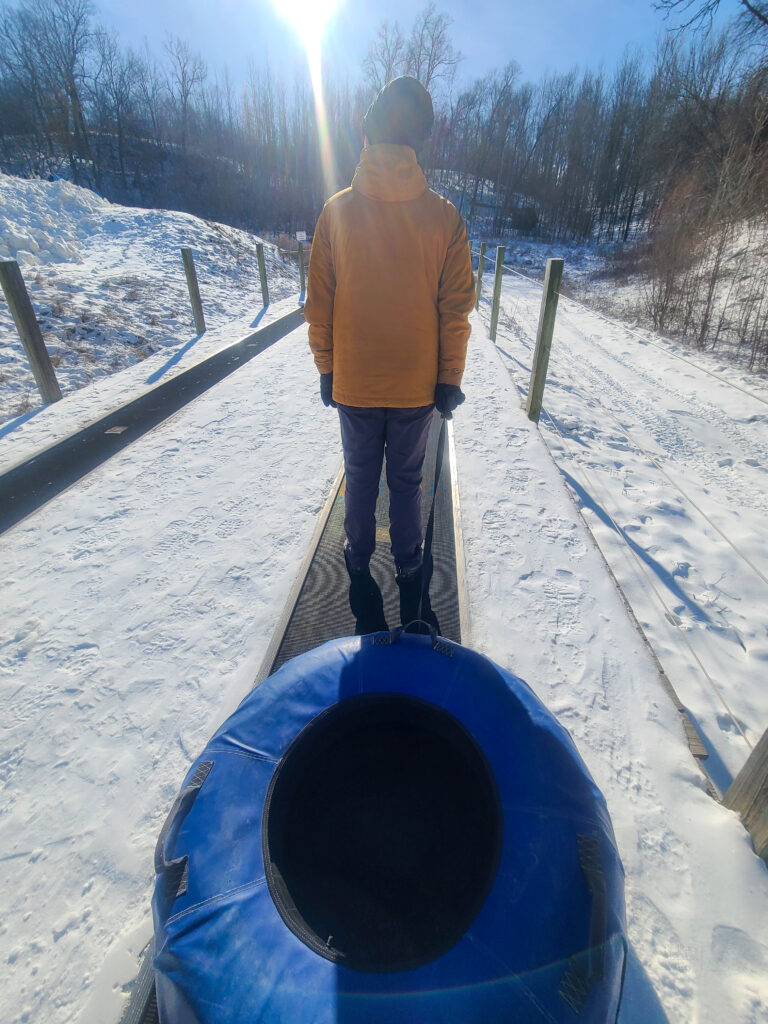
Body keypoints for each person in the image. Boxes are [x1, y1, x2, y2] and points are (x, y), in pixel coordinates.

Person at [305, 75, 474, 594]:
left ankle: (357, 561)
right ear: (417, 139)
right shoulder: (445, 218)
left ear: (367, 131)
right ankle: (407, 563)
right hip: (414, 386)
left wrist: (327, 367)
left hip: (354, 378)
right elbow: (455, 309)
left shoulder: (335, 212)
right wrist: (449, 378)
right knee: (405, 482)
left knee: (359, 478)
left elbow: (320, 305)